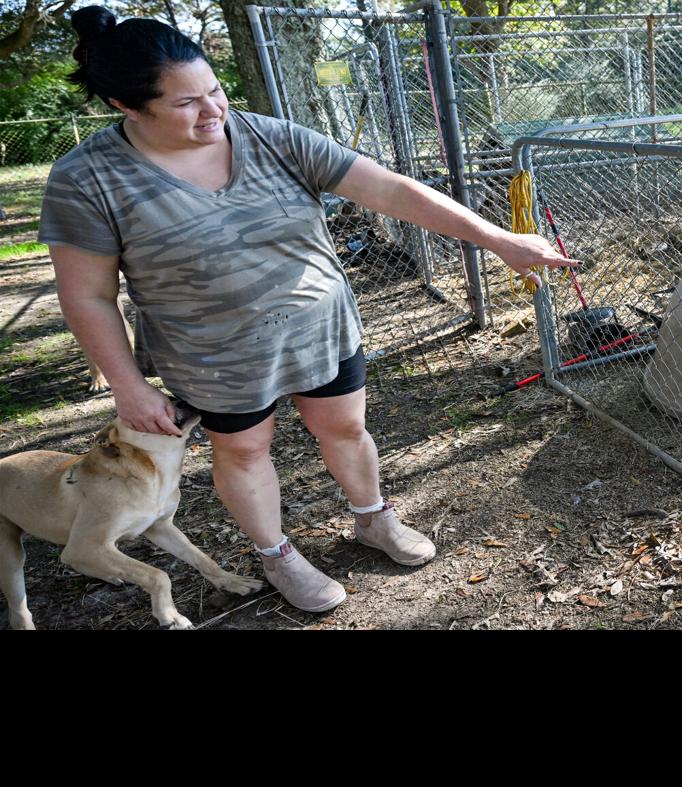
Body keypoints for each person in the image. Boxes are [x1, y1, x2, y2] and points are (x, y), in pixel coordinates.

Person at [37, 7, 574, 613]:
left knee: (345, 428)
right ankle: (279, 556)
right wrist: (129, 388)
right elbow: (86, 295)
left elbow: (390, 189)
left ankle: (374, 520)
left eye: (215, 90)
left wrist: (498, 238)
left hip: (320, 330)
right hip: (213, 356)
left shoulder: (270, 135)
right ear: (125, 106)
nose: (214, 111)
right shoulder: (87, 179)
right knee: (243, 451)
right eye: (186, 103)